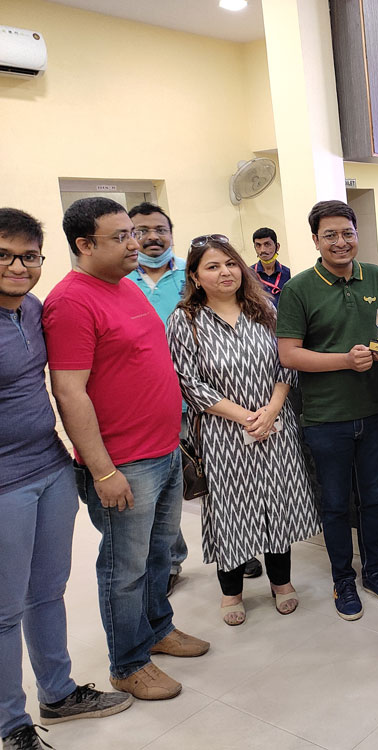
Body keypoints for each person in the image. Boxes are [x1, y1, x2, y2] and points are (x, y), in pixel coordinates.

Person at [44, 197, 209, 702]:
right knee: (125, 569)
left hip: (164, 449)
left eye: (132, 233)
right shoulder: (72, 302)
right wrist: (102, 470)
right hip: (123, 463)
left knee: (159, 557)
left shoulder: (125, 286)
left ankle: (158, 628)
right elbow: (69, 392)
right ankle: (128, 662)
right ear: (84, 244)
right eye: (120, 237)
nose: (135, 243)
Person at [1, 208, 133, 750]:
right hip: (4, 485)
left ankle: (57, 693)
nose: (18, 267)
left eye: (29, 257)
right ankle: (11, 725)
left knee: (47, 592)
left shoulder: (32, 309)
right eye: (4, 255)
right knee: (4, 610)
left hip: (50, 467)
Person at [166, 235, 320, 625]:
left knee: (277, 504)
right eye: (212, 266)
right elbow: (188, 382)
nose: (225, 272)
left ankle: (281, 582)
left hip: (275, 426)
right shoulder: (185, 320)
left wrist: (272, 408)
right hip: (222, 434)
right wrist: (246, 417)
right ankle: (231, 592)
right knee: (231, 511)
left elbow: (286, 362)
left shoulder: (265, 310)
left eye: (230, 263)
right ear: (195, 276)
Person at [277, 201, 378, 621]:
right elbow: (289, 355)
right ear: (315, 241)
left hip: (375, 409)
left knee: (373, 498)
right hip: (325, 417)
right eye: (329, 235)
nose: (340, 242)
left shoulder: (377, 276)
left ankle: (375, 572)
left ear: (357, 234)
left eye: (347, 233)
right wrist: (346, 361)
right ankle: (343, 580)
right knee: (335, 504)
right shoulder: (298, 289)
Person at [123, 202, 195, 594]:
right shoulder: (120, 279)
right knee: (162, 489)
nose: (152, 237)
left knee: (212, 477)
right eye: (141, 231)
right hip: (147, 402)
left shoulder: (193, 273)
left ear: (171, 233)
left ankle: (234, 549)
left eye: (160, 230)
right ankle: (170, 560)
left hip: (200, 396)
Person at [252, 227, 291, 307]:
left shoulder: (289, 274)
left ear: (277, 247)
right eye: (258, 245)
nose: (262, 250)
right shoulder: (248, 275)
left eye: (267, 244)